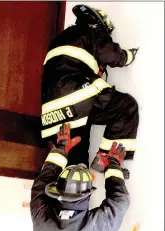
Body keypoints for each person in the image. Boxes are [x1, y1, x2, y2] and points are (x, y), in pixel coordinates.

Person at [41, 4, 139, 176]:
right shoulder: (91, 33)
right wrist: (129, 55)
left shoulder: (57, 41)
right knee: (126, 107)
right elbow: (113, 56)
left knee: (76, 168)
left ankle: (75, 193)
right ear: (96, 25)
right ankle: (106, 160)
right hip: (77, 99)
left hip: (53, 115)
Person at [30, 124, 130, 231]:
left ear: (58, 192)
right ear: (87, 194)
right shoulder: (40, 220)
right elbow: (39, 188)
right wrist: (61, 148)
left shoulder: (99, 228)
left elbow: (120, 200)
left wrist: (113, 164)